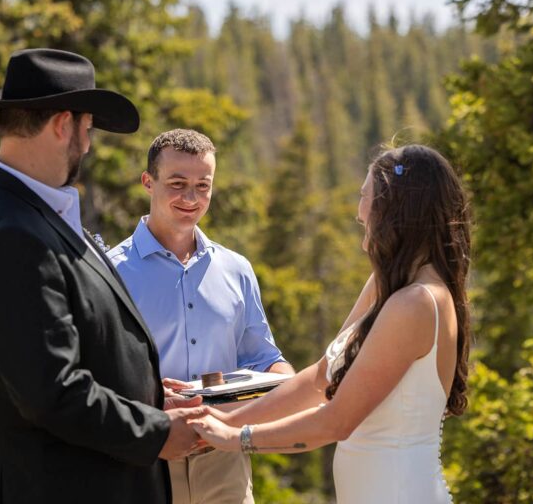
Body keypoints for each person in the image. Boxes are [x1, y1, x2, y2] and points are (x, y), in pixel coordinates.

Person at [0, 48, 207, 504]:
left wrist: (144, 392)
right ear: (63, 125)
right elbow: (51, 390)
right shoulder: (13, 230)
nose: (87, 145)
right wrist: (156, 432)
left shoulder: (25, 210)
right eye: (87, 129)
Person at [190, 144, 472, 503]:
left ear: (395, 210)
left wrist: (237, 438)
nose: (360, 211)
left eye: (365, 196)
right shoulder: (388, 286)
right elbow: (321, 376)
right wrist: (223, 419)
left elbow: (336, 421)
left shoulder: (415, 302)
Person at [107, 128, 295, 504]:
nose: (191, 198)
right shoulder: (113, 273)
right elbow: (101, 372)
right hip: (146, 459)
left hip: (226, 458)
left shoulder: (236, 269)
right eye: (177, 183)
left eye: (202, 186)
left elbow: (263, 357)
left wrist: (289, 382)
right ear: (148, 182)